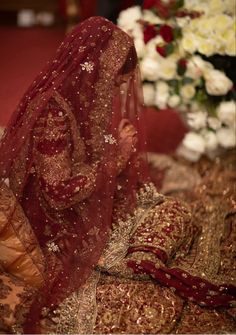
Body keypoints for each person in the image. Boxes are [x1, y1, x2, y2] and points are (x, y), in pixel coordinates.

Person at [0, 17, 235, 334]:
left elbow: (87, 155)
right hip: (55, 227)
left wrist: (114, 155)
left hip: (85, 199)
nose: (119, 89)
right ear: (96, 70)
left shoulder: (80, 96)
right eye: (114, 81)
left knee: (175, 214)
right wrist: (117, 158)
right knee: (153, 286)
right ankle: (140, 257)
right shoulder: (53, 113)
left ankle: (143, 253)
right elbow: (58, 192)